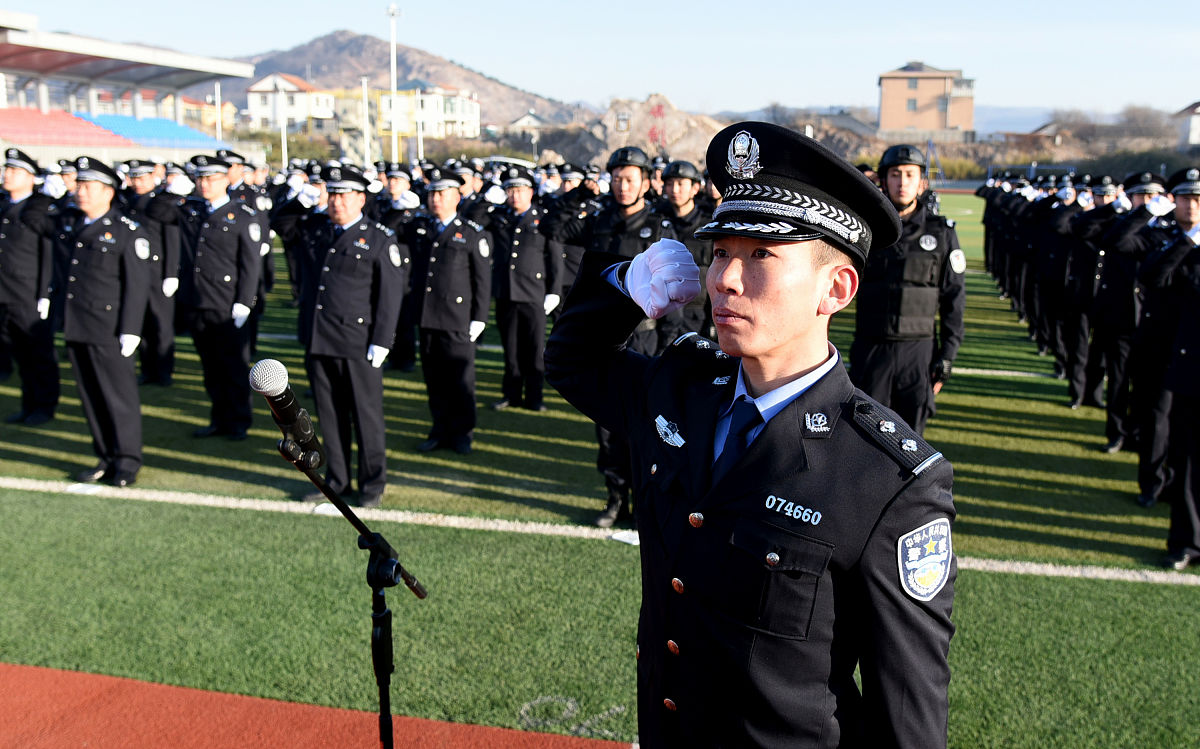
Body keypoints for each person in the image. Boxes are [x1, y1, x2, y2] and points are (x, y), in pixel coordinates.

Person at [545, 121, 955, 747]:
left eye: (761, 255)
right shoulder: (683, 388)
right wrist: (628, 289)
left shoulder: (883, 478)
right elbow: (572, 361)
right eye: (721, 252)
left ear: (835, 289)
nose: (724, 279)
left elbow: (909, 718)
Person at [544, 145, 679, 527]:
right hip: (602, 343)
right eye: (616, 178)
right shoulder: (598, 219)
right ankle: (615, 498)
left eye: (629, 179)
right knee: (606, 428)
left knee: (649, 425)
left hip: (646, 340)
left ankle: (644, 503)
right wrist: (581, 192)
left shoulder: (661, 227)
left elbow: (675, 293)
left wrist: (669, 348)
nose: (622, 186)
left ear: (645, 183)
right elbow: (552, 229)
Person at [271, 164, 408, 507]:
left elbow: (390, 295)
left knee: (366, 416)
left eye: (345, 196)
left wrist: (382, 340)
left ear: (361, 199)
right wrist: (300, 203)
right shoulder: (316, 228)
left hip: (358, 342)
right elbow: (280, 224)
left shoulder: (378, 238)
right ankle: (337, 479)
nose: (338, 202)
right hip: (320, 339)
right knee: (328, 416)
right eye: (332, 195)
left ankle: (373, 482)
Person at [23, 157, 150, 486]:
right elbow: (35, 220)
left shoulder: (127, 231)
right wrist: (44, 195)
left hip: (109, 329)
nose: (79, 190)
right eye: (78, 184)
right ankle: (105, 455)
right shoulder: (70, 222)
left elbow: (137, 286)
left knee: (117, 398)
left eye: (87, 185)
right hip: (77, 324)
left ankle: (126, 461)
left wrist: (131, 330)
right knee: (91, 398)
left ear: (107, 191)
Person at [850, 144, 965, 435]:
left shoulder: (942, 233)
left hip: (919, 352)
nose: (903, 182)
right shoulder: (864, 231)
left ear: (921, 181)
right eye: (895, 174)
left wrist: (948, 354)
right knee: (864, 437)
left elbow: (954, 299)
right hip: (872, 349)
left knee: (911, 441)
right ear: (884, 180)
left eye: (910, 175)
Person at [149, 154, 263, 440]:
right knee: (210, 368)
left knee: (233, 367)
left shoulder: (241, 215)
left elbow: (250, 264)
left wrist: (244, 301)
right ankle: (218, 418)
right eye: (200, 178)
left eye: (211, 178)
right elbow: (154, 212)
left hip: (227, 303)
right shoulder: (191, 209)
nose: (204, 184)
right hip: (197, 300)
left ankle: (238, 421)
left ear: (225, 179)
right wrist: (170, 189)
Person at [1137, 166, 1200, 567]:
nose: (1192, 206)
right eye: (1186, 198)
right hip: (1182, 360)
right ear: (1173, 201)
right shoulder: (1165, 238)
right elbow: (1153, 277)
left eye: (1199, 200)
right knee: (1189, 459)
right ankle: (1187, 541)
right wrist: (1189, 242)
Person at [407, 167, 491, 455]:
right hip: (428, 316)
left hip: (458, 319)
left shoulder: (470, 234)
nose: (436, 199)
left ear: (457, 196)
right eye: (432, 193)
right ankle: (439, 428)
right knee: (434, 379)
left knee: (460, 379)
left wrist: (479, 318)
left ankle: (462, 432)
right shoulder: (421, 228)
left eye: (442, 193)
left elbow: (482, 280)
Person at [487, 165, 562, 411]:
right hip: (507, 293)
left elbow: (554, 259)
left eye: (520, 190)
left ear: (531, 191)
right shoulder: (499, 217)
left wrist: (554, 291)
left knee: (533, 350)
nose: (515, 195)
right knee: (510, 350)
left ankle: (534, 398)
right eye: (510, 190)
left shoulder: (543, 219)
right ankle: (511, 394)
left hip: (533, 294)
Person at [0, 148, 59, 424]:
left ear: (31, 177)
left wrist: (44, 292)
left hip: (28, 292)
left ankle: (44, 406)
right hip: (5, 292)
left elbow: (47, 252)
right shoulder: (4, 204)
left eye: (14, 171)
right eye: (6, 169)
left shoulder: (39, 208)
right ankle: (28, 404)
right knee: (21, 355)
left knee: (39, 354)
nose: (7, 175)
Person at [121, 158, 180, 386]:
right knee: (142, 321)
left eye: (142, 177)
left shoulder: (162, 201)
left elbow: (171, 238)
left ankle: (164, 371)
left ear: (152, 177)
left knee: (161, 324)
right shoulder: (129, 201)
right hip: (137, 271)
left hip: (157, 270)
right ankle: (147, 369)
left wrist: (171, 272)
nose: (138, 182)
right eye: (134, 177)